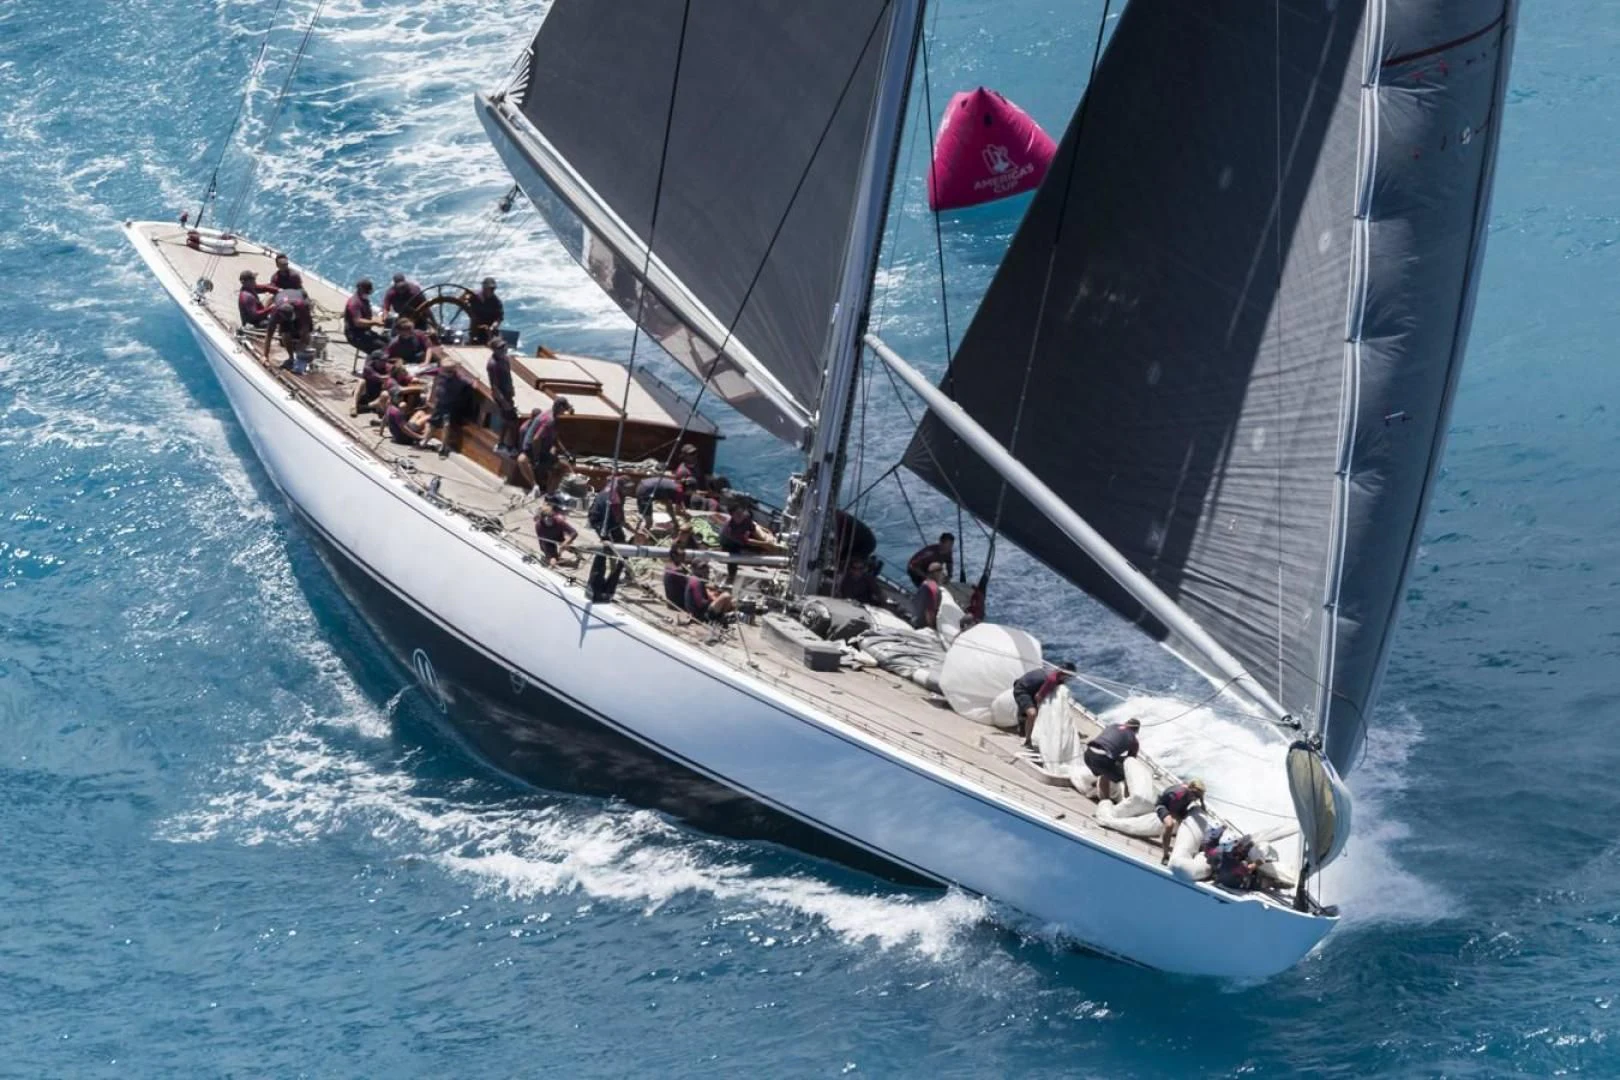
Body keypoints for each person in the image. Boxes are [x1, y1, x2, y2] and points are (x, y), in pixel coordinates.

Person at [517, 397, 574, 496]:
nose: (564, 412)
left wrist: (565, 452)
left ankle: (543, 489)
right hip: (535, 451)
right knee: (565, 467)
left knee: (555, 459)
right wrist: (536, 458)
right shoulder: (550, 421)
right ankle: (549, 494)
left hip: (531, 449)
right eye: (564, 409)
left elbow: (554, 438)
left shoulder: (548, 413)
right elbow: (536, 439)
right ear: (560, 408)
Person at [1012, 661, 1075, 747]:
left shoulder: (1054, 672)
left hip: (1031, 689)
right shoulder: (1052, 679)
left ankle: (1024, 723)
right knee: (1032, 714)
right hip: (1022, 690)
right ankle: (1028, 740)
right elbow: (1038, 697)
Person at [1083, 717, 1141, 801]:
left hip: (1088, 754)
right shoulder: (1134, 741)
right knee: (1127, 775)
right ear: (1136, 731)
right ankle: (1125, 802)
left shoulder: (1113, 726)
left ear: (1125, 723)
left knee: (1107, 767)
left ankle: (1100, 791)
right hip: (1101, 760)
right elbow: (1130, 762)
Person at [426, 363, 475, 458]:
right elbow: (432, 372)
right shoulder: (441, 374)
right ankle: (425, 441)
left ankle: (443, 447)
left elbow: (473, 384)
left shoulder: (460, 379)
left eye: (444, 371)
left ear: (451, 372)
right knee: (432, 423)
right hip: (440, 404)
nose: (441, 372)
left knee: (446, 424)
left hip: (449, 406)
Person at [1155, 779, 1207, 865]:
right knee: (1169, 825)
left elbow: (1203, 808)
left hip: (1180, 808)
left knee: (1195, 826)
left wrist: (1202, 801)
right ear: (1190, 789)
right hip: (1164, 806)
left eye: (1198, 796)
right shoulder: (1177, 794)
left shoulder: (1194, 794)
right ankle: (1165, 855)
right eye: (1194, 794)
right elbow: (1172, 811)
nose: (1195, 798)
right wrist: (1180, 820)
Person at [717, 502, 769, 582]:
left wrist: (765, 541)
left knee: (761, 549)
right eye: (738, 514)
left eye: (741, 513)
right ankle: (731, 576)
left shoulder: (746, 519)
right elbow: (747, 542)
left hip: (743, 535)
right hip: (729, 542)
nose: (741, 516)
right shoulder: (730, 530)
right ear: (732, 515)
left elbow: (754, 530)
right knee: (733, 555)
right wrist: (765, 544)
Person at [485, 338, 521, 452]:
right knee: (512, 421)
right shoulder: (492, 364)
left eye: (504, 346)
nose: (504, 349)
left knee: (506, 420)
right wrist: (503, 401)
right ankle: (511, 446)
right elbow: (494, 386)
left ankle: (501, 444)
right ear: (494, 349)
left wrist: (512, 388)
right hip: (501, 396)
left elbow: (508, 376)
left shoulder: (505, 359)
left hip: (508, 393)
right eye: (500, 347)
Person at [263, 290, 313, 369]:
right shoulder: (275, 313)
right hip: (283, 301)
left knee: (305, 333)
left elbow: (305, 329)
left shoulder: (301, 306)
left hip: (298, 301)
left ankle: (301, 356)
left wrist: (301, 347)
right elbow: (268, 336)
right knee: (285, 333)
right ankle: (291, 357)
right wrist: (265, 356)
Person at [343, 277, 387, 352]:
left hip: (364, 332)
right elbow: (358, 322)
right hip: (355, 335)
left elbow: (367, 315)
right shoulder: (354, 303)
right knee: (382, 349)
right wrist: (375, 323)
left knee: (388, 342)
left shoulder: (364, 300)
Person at [588, 476, 632, 544]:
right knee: (609, 544)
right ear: (620, 487)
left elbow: (610, 477)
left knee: (620, 538)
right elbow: (621, 521)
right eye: (626, 488)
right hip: (598, 519)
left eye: (630, 488)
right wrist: (635, 532)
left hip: (606, 513)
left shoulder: (614, 482)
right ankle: (602, 553)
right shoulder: (615, 500)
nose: (629, 490)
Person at [351, 349, 393, 416]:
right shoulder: (368, 368)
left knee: (386, 393)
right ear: (375, 361)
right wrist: (390, 375)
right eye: (382, 360)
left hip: (377, 396)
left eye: (386, 360)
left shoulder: (387, 367)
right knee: (361, 381)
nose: (385, 362)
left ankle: (366, 407)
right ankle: (353, 406)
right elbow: (380, 378)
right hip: (366, 393)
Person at [466, 276, 505, 344]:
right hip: (475, 329)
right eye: (490, 288)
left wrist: (492, 327)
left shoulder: (497, 302)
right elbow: (460, 302)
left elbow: (498, 319)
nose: (492, 290)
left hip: (488, 330)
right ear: (483, 288)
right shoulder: (474, 296)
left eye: (493, 289)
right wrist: (465, 295)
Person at [909, 562, 946, 631]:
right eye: (942, 573)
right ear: (936, 573)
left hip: (914, 622)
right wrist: (933, 629)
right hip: (922, 628)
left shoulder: (924, 584)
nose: (943, 575)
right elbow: (929, 613)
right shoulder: (934, 588)